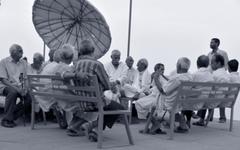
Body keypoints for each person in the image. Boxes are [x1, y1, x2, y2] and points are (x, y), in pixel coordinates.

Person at [67, 40, 124, 141]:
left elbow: (64, 74)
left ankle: (93, 128)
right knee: (119, 108)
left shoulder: (76, 65)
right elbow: (107, 86)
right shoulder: (97, 65)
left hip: (81, 103)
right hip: (95, 104)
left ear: (80, 51)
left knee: (111, 105)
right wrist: (111, 87)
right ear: (93, 50)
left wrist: (77, 75)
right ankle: (94, 128)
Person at [0, 44, 31, 128]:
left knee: (29, 98)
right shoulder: (4, 62)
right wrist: (17, 89)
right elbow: (3, 80)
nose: (22, 52)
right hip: (6, 86)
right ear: (13, 52)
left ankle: (11, 117)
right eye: (20, 51)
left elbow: (26, 78)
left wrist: (25, 88)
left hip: (20, 86)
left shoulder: (24, 63)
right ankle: (7, 120)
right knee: (12, 92)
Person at [162, 57, 193, 133]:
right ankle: (182, 125)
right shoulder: (190, 77)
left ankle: (157, 123)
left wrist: (157, 79)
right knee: (175, 105)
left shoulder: (177, 78)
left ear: (178, 66)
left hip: (173, 102)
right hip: (183, 101)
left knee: (147, 102)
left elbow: (165, 90)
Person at [192, 55, 214, 126]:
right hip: (205, 102)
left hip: (193, 103)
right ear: (208, 64)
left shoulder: (194, 75)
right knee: (204, 94)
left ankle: (184, 120)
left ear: (197, 63)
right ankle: (200, 120)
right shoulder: (211, 76)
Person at [211, 54, 230, 123]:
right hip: (223, 100)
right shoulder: (227, 75)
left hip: (214, 101)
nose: (211, 64)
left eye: (212, 62)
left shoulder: (214, 74)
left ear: (218, 63)